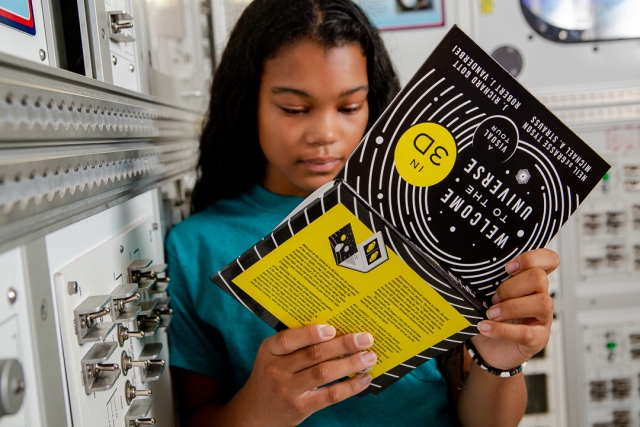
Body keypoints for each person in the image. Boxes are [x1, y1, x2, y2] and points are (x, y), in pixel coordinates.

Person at [166, 0, 558, 426]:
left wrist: (500, 362)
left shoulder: (426, 215)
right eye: (294, 109)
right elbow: (195, 414)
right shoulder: (196, 246)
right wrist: (260, 408)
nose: (325, 134)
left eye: (350, 107)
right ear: (247, 103)